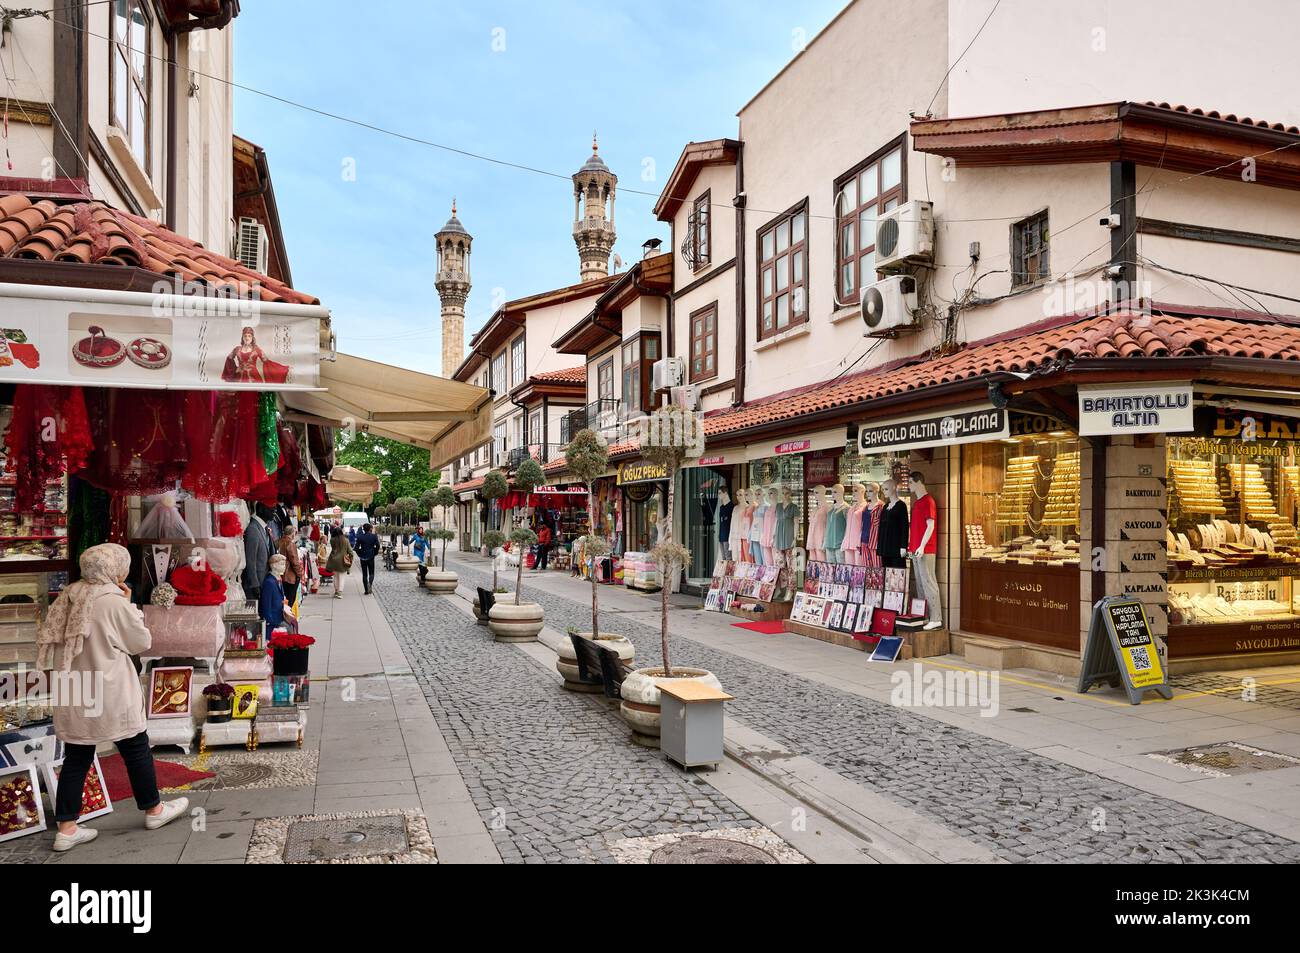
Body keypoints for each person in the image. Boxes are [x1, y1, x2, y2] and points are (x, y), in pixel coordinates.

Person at [36, 543, 189, 852]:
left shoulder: (69, 595)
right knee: (135, 747)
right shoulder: (111, 601)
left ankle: (66, 827)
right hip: (109, 687)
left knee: (77, 756)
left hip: (76, 686)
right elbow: (140, 642)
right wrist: (128, 604)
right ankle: (154, 810)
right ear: (112, 568)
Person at [260, 553, 295, 637]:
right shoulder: (269, 582)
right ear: (274, 565)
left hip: (280, 616)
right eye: (282, 564)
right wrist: (270, 621)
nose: (284, 567)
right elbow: (266, 605)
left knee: (292, 628)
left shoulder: (278, 579)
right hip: (273, 622)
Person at [325, 525, 353, 598]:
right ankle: (339, 593)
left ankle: (336, 591)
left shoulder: (332, 540)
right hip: (342, 561)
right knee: (341, 577)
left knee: (336, 576)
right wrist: (350, 558)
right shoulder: (346, 540)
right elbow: (350, 551)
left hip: (333, 559)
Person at [276, 532, 304, 606]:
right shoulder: (290, 544)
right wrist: (300, 574)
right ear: (292, 533)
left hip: (282, 574)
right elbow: (294, 561)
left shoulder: (280, 541)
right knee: (290, 599)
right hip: (290, 576)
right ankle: (287, 616)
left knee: (285, 598)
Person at [355, 522, 381, 595]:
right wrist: (375, 552)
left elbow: (356, 548)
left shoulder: (360, 537)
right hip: (371, 556)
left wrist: (359, 554)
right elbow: (378, 546)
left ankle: (366, 590)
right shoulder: (374, 536)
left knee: (364, 574)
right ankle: (370, 583)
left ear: (363, 529)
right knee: (371, 572)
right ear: (370, 529)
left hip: (363, 557)